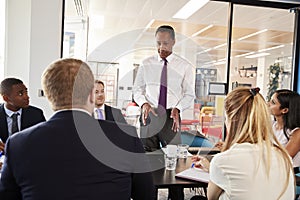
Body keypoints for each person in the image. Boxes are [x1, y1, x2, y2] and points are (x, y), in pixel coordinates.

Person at [0, 58, 155, 200]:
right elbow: (146, 195)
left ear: (49, 96)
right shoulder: (125, 137)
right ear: (91, 96)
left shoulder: (17, 144)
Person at [192, 87, 295, 200]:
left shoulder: (223, 161)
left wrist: (214, 167)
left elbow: (211, 197)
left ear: (231, 119)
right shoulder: (284, 157)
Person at [133, 25, 195, 152]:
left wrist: (178, 108)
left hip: (171, 117)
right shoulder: (146, 64)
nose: (161, 47)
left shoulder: (185, 67)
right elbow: (137, 90)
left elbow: (189, 95)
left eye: (165, 43)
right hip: (149, 115)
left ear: (173, 42)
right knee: (147, 157)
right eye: (158, 43)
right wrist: (143, 103)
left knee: (173, 155)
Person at [0, 78, 46, 151]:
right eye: (21, 94)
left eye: (26, 92)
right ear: (6, 98)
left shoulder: (36, 114)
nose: (26, 97)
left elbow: (44, 138)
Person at [268, 89, 300, 168]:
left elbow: (283, 159)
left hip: (287, 174)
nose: (268, 104)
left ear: (284, 110)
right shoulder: (271, 125)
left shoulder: (296, 133)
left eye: (273, 102)